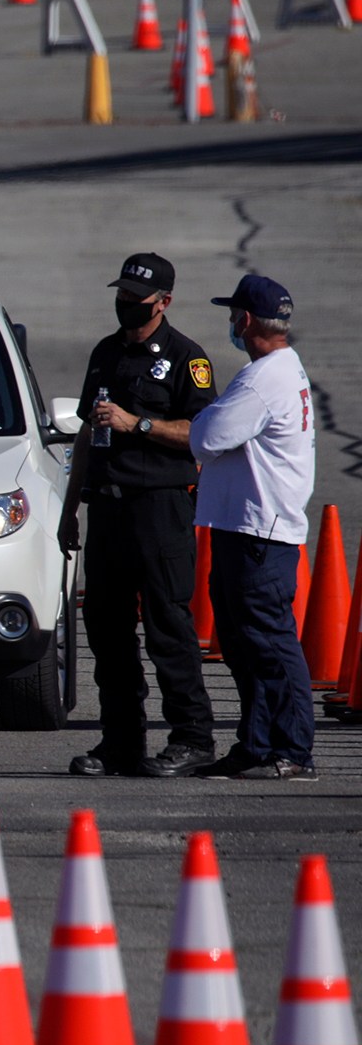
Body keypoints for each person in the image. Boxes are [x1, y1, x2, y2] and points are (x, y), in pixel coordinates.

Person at [57, 253, 216, 777]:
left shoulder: (187, 358)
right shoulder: (105, 353)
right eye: (121, 295)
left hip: (160, 508)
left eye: (137, 299)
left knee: (168, 625)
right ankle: (121, 740)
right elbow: (86, 433)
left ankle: (192, 739)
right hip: (107, 507)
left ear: (164, 302)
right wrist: (70, 507)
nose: (126, 305)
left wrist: (138, 424)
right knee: (107, 628)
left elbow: (201, 435)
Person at [192, 273, 316, 780]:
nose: (230, 324)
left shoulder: (263, 378)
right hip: (250, 529)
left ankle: (293, 750)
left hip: (259, 534)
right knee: (244, 646)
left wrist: (206, 421)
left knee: (269, 646)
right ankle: (257, 744)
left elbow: (207, 435)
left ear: (244, 320)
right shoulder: (281, 370)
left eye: (232, 315)